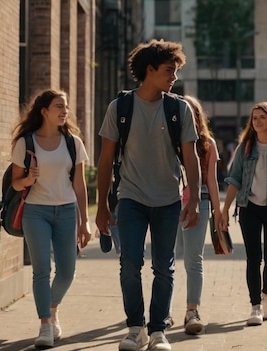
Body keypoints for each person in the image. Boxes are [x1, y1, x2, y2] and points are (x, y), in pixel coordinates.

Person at [95, 39, 200, 351]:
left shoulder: (179, 109)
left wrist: (192, 199)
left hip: (168, 199)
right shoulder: (120, 108)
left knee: (163, 267)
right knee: (129, 263)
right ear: (150, 70)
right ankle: (135, 328)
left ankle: (158, 332)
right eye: (170, 71)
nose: (174, 78)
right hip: (130, 197)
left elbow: (191, 158)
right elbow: (104, 160)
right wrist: (101, 205)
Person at [10, 89, 91, 348]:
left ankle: (52, 308)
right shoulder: (26, 142)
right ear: (44, 110)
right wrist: (29, 179)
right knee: (41, 271)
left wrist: (84, 220)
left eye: (65, 106)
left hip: (67, 211)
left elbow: (79, 185)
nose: (64, 111)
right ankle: (45, 324)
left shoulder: (72, 142)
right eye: (59, 106)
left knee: (67, 271)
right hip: (36, 212)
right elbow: (15, 184)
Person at [219, 101, 267, 327]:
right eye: (254, 118)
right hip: (249, 208)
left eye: (262, 117)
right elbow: (234, 180)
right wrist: (225, 210)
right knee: (253, 259)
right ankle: (255, 306)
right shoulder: (245, 147)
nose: (257, 121)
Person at [173, 95, 222, 335]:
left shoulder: (207, 143)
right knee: (166, 259)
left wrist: (218, 210)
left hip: (199, 201)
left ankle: (192, 310)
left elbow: (211, 180)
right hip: (168, 201)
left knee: (194, 259)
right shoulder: (167, 137)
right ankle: (163, 312)